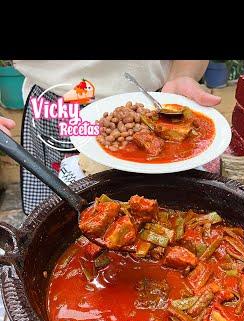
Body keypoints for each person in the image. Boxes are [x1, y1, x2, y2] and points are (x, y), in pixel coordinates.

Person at [0, 60, 221, 214]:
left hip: (153, 102)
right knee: (60, 214)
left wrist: (184, 74)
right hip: (57, 106)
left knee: (167, 205)